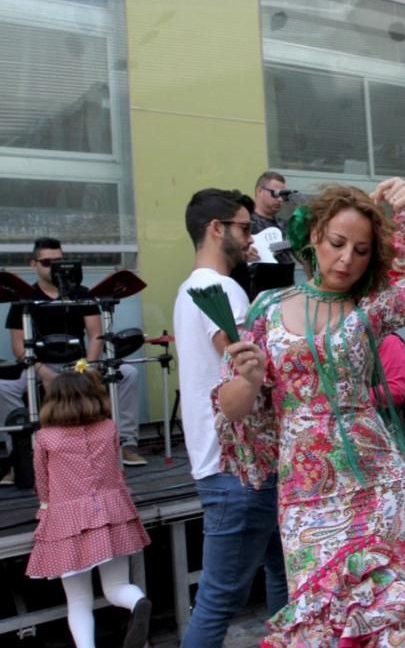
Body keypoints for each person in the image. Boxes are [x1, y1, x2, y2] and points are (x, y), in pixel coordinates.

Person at [215, 178, 405, 646]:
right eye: (338, 243)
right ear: (314, 236)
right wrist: (251, 379)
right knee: (323, 628)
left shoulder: (371, 309)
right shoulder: (266, 311)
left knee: (388, 626)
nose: (347, 260)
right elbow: (232, 408)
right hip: (306, 496)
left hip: (380, 486)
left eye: (360, 250)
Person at [173, 188, 287, 647]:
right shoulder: (219, 289)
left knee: (286, 577)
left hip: (229, 465)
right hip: (237, 468)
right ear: (216, 228)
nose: (249, 238)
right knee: (219, 600)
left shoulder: (190, 287)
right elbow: (248, 365)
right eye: (243, 228)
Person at [26, 367, 151, 648]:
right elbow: (117, 472)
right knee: (116, 587)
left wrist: (45, 509)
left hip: (67, 521)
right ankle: (138, 601)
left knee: (79, 601)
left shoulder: (46, 438)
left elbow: (42, 483)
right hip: (112, 513)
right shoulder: (108, 428)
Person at [1, 238, 145, 467]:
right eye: (47, 262)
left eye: (59, 262)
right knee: (3, 387)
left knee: (128, 374)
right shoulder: (24, 298)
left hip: (79, 363)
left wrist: (88, 367)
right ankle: (18, 455)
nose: (55, 267)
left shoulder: (82, 293)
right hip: (40, 366)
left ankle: (126, 443)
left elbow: (96, 334)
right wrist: (44, 373)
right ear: (33, 264)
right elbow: (18, 346)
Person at [251, 171, 295, 265]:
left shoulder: (285, 226)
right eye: (275, 193)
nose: (280, 199)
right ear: (259, 191)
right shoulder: (245, 223)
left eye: (283, 195)